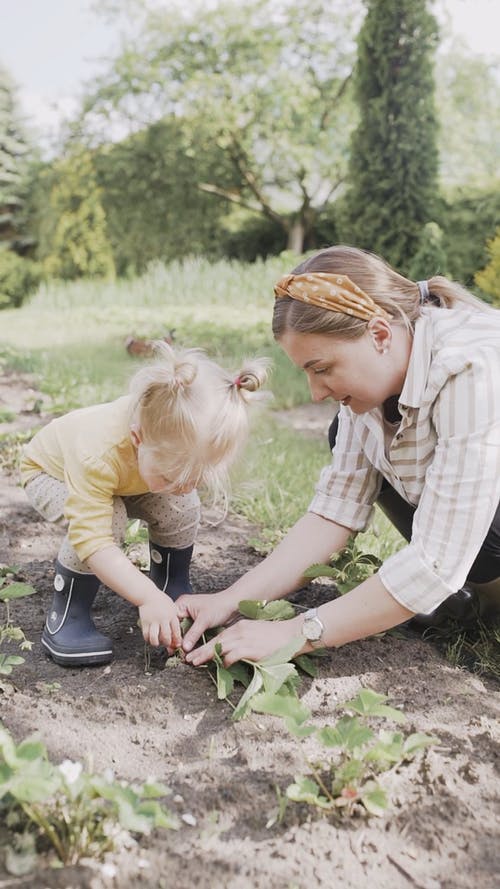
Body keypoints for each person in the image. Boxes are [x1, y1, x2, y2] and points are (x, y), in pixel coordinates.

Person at [177, 245, 500, 668]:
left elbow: (436, 561)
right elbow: (335, 511)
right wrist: (230, 599)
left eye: (322, 368)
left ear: (380, 334)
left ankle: (487, 608)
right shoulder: (372, 386)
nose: (315, 392)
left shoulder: (470, 367)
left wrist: (297, 632)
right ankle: (481, 603)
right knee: (343, 429)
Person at [20, 342, 268, 667]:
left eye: (196, 477)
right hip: (51, 474)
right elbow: (92, 540)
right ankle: (68, 615)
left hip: (128, 476)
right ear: (138, 439)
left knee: (181, 505)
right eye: (172, 475)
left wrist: (173, 483)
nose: (185, 485)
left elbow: (176, 484)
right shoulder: (97, 453)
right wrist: (145, 598)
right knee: (108, 518)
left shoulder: (164, 439)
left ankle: (171, 585)